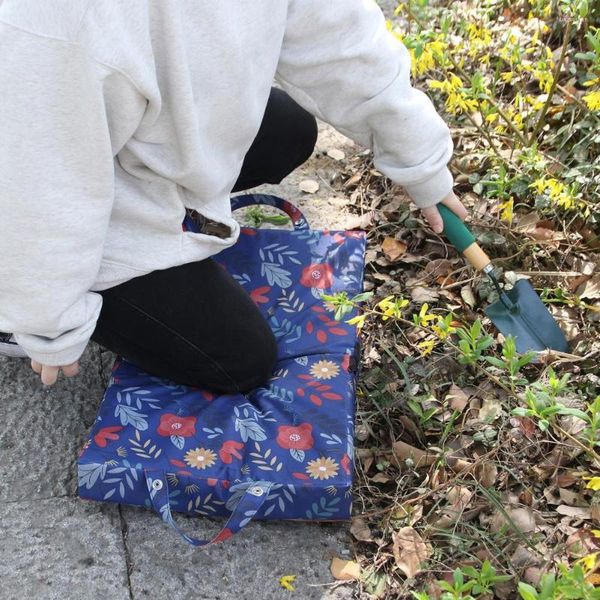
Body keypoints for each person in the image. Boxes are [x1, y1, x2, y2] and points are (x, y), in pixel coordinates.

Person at [0, 0, 468, 390]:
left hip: (132, 133)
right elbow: (33, 172)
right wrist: (48, 319)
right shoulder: (56, 22)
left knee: (288, 129)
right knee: (238, 360)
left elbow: (340, 40)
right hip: (38, 184)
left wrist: (418, 156)